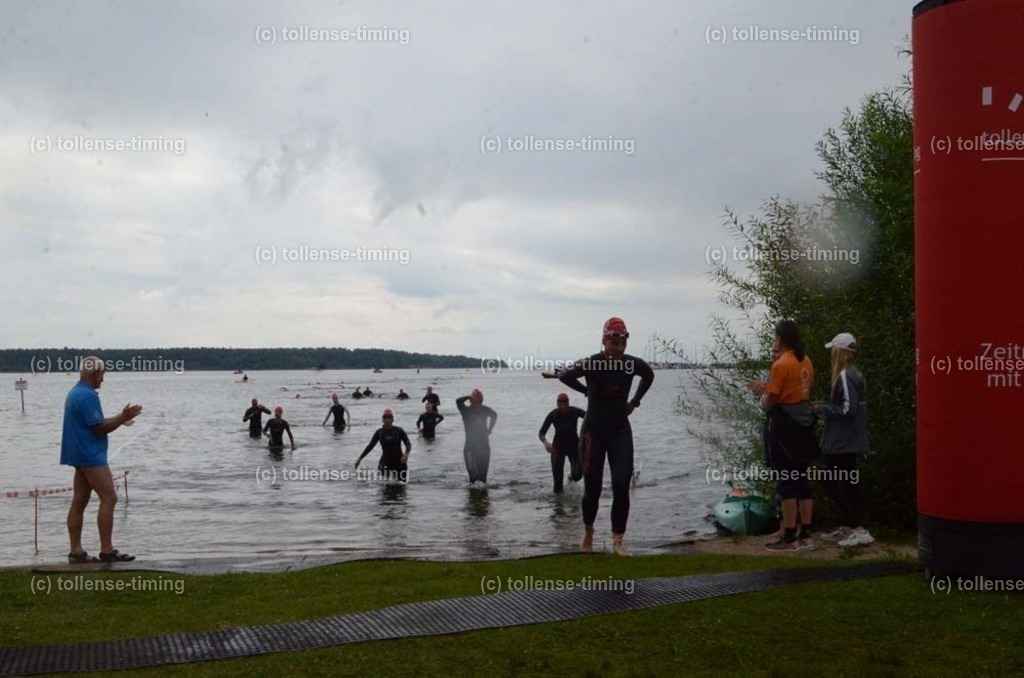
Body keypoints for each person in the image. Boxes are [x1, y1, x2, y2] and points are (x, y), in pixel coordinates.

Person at [560, 317, 655, 556]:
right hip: (593, 432)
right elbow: (565, 376)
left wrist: (635, 402)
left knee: (621, 485)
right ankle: (588, 532)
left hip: (620, 431)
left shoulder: (631, 364)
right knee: (592, 489)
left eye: (623, 341)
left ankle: (618, 541)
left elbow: (649, 375)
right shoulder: (592, 363)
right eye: (615, 341)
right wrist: (587, 391)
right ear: (604, 341)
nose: (619, 346)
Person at [61, 356, 142, 564]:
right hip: (90, 456)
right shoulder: (88, 396)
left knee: (79, 501)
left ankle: (76, 552)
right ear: (95, 373)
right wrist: (122, 418)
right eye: (103, 374)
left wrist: (120, 419)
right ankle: (107, 550)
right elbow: (99, 429)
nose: (103, 379)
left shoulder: (75, 392)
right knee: (109, 497)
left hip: (78, 455)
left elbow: (94, 422)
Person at [761, 320, 819, 552]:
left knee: (786, 480)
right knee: (802, 480)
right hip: (804, 424)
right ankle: (806, 534)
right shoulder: (806, 361)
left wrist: (764, 401)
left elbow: (772, 398)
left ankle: (789, 537)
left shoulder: (781, 364)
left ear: (779, 339)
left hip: (784, 425)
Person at [813, 332, 874, 547]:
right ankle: (851, 525)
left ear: (840, 351)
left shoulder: (845, 376)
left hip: (841, 441)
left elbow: (849, 409)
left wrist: (821, 409)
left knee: (831, 482)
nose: (831, 353)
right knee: (847, 483)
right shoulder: (856, 373)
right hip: (848, 440)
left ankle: (857, 527)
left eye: (833, 349)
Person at [538, 393, 586, 493]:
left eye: (566, 402)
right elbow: (541, 433)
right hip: (557, 449)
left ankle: (570, 477)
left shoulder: (575, 411)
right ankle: (558, 502)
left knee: (577, 475)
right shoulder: (553, 414)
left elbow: (590, 418)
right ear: (557, 404)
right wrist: (546, 443)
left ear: (568, 403)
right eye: (561, 403)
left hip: (574, 447)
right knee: (558, 486)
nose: (563, 405)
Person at [356, 409, 411, 482]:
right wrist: (360, 458)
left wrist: (406, 454)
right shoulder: (379, 432)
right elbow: (370, 446)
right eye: (385, 418)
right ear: (383, 420)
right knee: (383, 484)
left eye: (389, 418)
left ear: (392, 419)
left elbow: (408, 444)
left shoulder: (399, 431)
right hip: (385, 461)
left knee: (402, 485)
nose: (387, 420)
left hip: (399, 462)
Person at [456, 389, 497, 484]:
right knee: (475, 479)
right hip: (474, 448)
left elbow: (494, 415)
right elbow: (458, 401)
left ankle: (478, 493)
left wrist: (490, 429)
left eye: (477, 399)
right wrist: (490, 429)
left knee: (481, 479)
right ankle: (479, 493)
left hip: (480, 448)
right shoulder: (466, 411)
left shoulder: (483, 409)